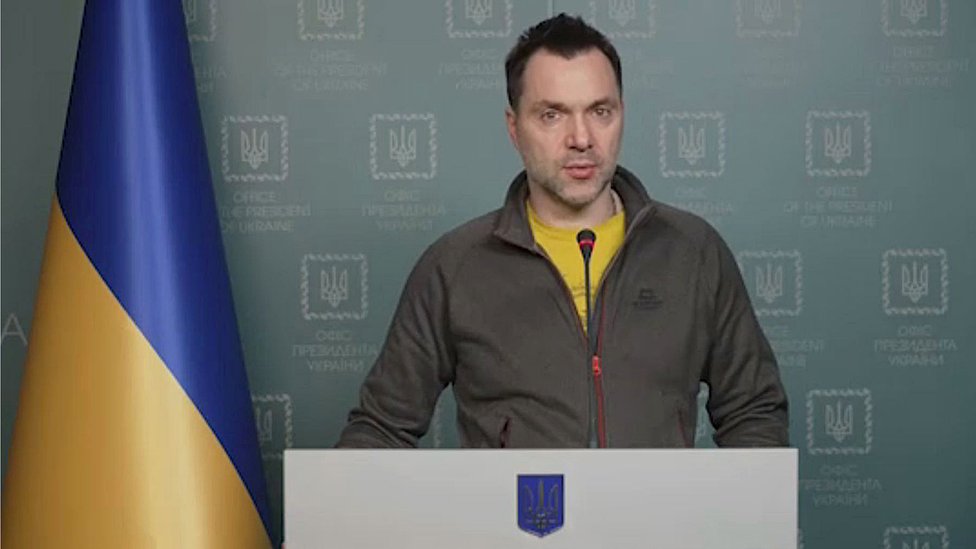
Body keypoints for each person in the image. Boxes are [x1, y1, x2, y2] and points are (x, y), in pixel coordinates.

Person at [336, 14, 788, 448]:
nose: (582, 138)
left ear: (622, 114)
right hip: (514, 508)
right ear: (514, 128)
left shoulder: (693, 251)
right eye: (552, 115)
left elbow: (754, 413)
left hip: (655, 507)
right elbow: (381, 429)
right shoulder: (454, 267)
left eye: (600, 111)